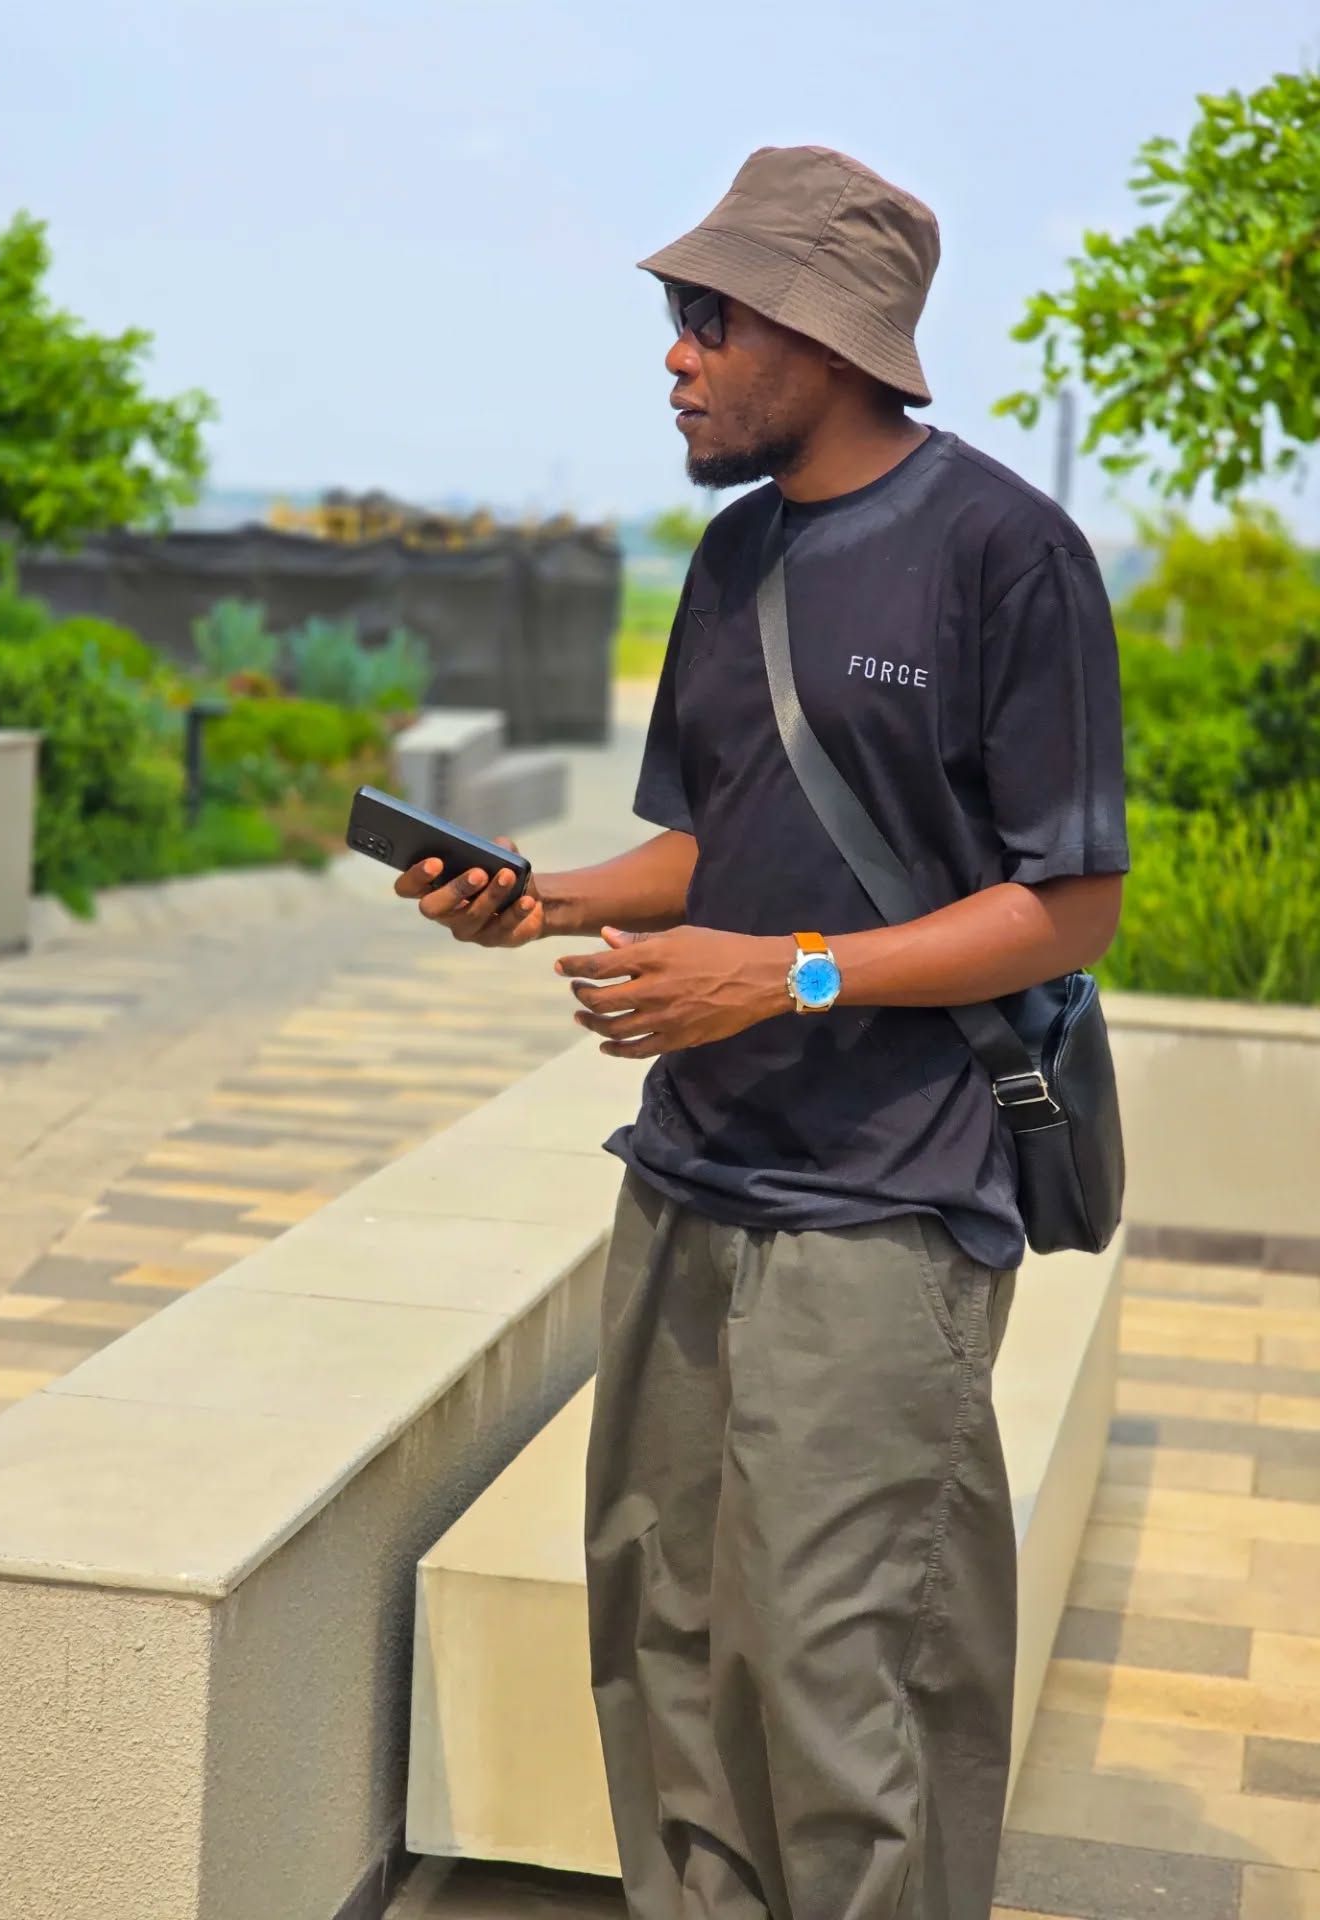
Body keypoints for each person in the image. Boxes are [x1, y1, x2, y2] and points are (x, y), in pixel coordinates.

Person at [394, 144, 1127, 1920]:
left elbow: (1069, 903)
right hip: (690, 1177)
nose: (676, 355)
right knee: (663, 1635)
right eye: (679, 317)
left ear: (827, 333)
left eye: (708, 318)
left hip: (887, 1205)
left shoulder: (1007, 554)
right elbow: (703, 847)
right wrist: (545, 900)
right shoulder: (734, 560)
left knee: (836, 1678)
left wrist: (781, 976)